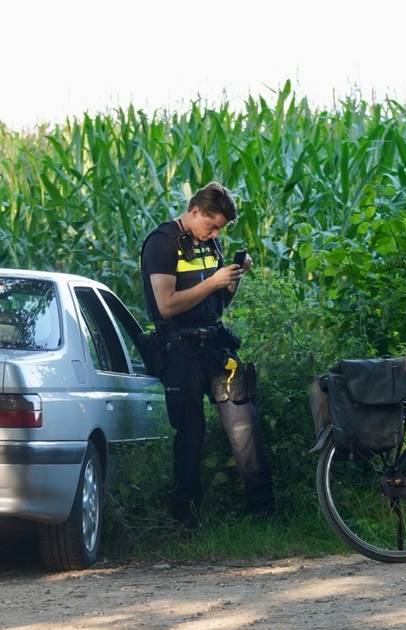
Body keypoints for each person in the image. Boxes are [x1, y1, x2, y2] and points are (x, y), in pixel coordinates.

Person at [139, 182, 275, 528]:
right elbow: (166, 305)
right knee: (191, 433)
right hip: (179, 350)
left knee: (244, 423)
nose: (214, 234)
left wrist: (233, 278)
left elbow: (218, 302)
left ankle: (264, 512)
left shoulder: (209, 242)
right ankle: (186, 516)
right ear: (194, 210)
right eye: (211, 225)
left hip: (214, 344)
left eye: (219, 230)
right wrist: (213, 282)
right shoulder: (162, 243)